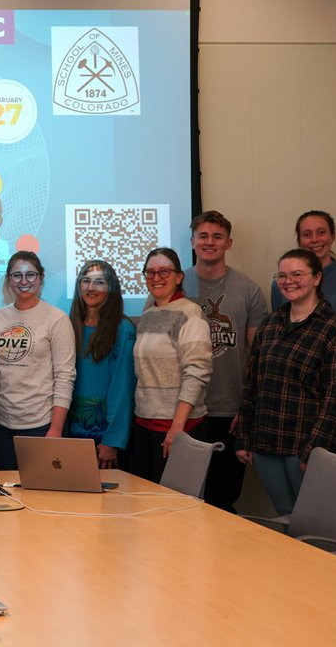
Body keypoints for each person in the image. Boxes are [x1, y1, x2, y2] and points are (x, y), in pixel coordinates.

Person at [237, 249, 336, 516]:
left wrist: (314, 450)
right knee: (284, 517)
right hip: (267, 444)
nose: (288, 281)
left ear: (317, 278)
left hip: (306, 448)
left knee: (315, 525)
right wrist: (245, 437)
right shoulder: (270, 325)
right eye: (282, 275)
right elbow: (252, 386)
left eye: (297, 274)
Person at [269, 211, 336, 459]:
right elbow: (280, 338)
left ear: (333, 236)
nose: (315, 239)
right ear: (299, 240)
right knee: (305, 472)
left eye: (321, 232)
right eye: (307, 234)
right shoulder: (282, 284)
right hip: (299, 395)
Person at [181, 211, 267, 511]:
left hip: (229, 412)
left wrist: (247, 409)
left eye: (217, 236)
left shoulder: (249, 290)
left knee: (222, 500)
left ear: (228, 243)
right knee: (183, 499)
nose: (209, 242)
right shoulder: (171, 285)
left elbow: (257, 357)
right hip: (183, 411)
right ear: (192, 241)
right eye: (203, 236)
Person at [0, 251, 75, 470]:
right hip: (2, 426)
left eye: (31, 275)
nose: (24, 281)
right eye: (17, 275)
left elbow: (65, 376)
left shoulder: (57, 319)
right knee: (8, 491)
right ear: (8, 280)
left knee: (39, 494)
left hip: (41, 425)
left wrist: (56, 428)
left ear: (41, 278)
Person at [131, 247, 212, 483]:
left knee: (174, 509)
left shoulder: (190, 314)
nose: (157, 278)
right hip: (145, 424)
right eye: (150, 272)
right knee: (144, 505)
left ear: (179, 277)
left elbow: (197, 373)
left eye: (164, 271)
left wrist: (178, 426)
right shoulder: (148, 314)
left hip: (177, 428)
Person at [66, 260, 136, 469]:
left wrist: (112, 440)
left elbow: (123, 388)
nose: (91, 288)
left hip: (104, 439)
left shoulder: (123, 329)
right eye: (85, 281)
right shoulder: (69, 326)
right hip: (70, 433)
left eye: (99, 282)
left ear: (111, 288)